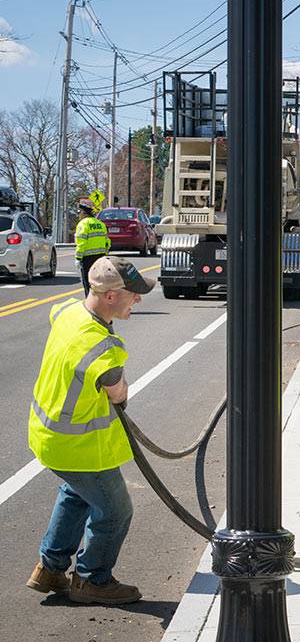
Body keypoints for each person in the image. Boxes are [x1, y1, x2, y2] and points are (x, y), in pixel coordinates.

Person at [27, 255, 155, 605]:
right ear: (111, 296)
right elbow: (118, 392)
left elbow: (57, 313)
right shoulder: (102, 347)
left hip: (48, 434)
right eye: (134, 293)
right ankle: (92, 580)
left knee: (77, 493)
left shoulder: (68, 312)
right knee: (115, 510)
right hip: (76, 446)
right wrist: (115, 364)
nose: (139, 299)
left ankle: (50, 568)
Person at [74, 200, 111, 297]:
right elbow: (107, 242)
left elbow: (81, 243)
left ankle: (90, 303)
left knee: (88, 283)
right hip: (101, 258)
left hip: (87, 259)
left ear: (83, 212)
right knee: (100, 282)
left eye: (78, 213)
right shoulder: (100, 224)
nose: (78, 215)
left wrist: (78, 258)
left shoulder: (83, 224)